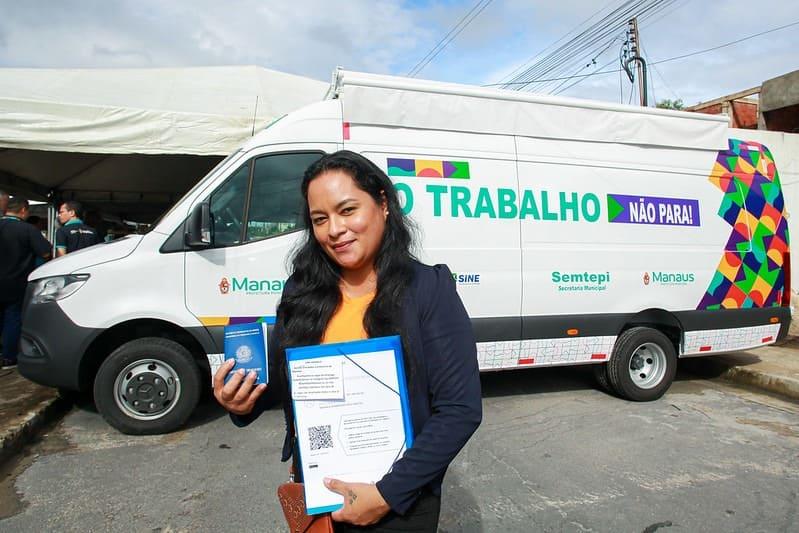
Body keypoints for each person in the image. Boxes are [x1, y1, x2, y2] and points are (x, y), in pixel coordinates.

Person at [214, 151, 482, 531]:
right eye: (320, 219)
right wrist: (240, 400)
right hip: (320, 499)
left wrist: (386, 495)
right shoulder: (301, 291)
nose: (334, 229)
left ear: (383, 204)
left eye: (347, 210)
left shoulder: (428, 289)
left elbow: (460, 408)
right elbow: (284, 382)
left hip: (397, 505)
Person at [0, 197, 51, 367]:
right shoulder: (27, 229)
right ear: (23, 210)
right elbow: (45, 253)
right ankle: (8, 356)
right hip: (16, 282)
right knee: (13, 318)